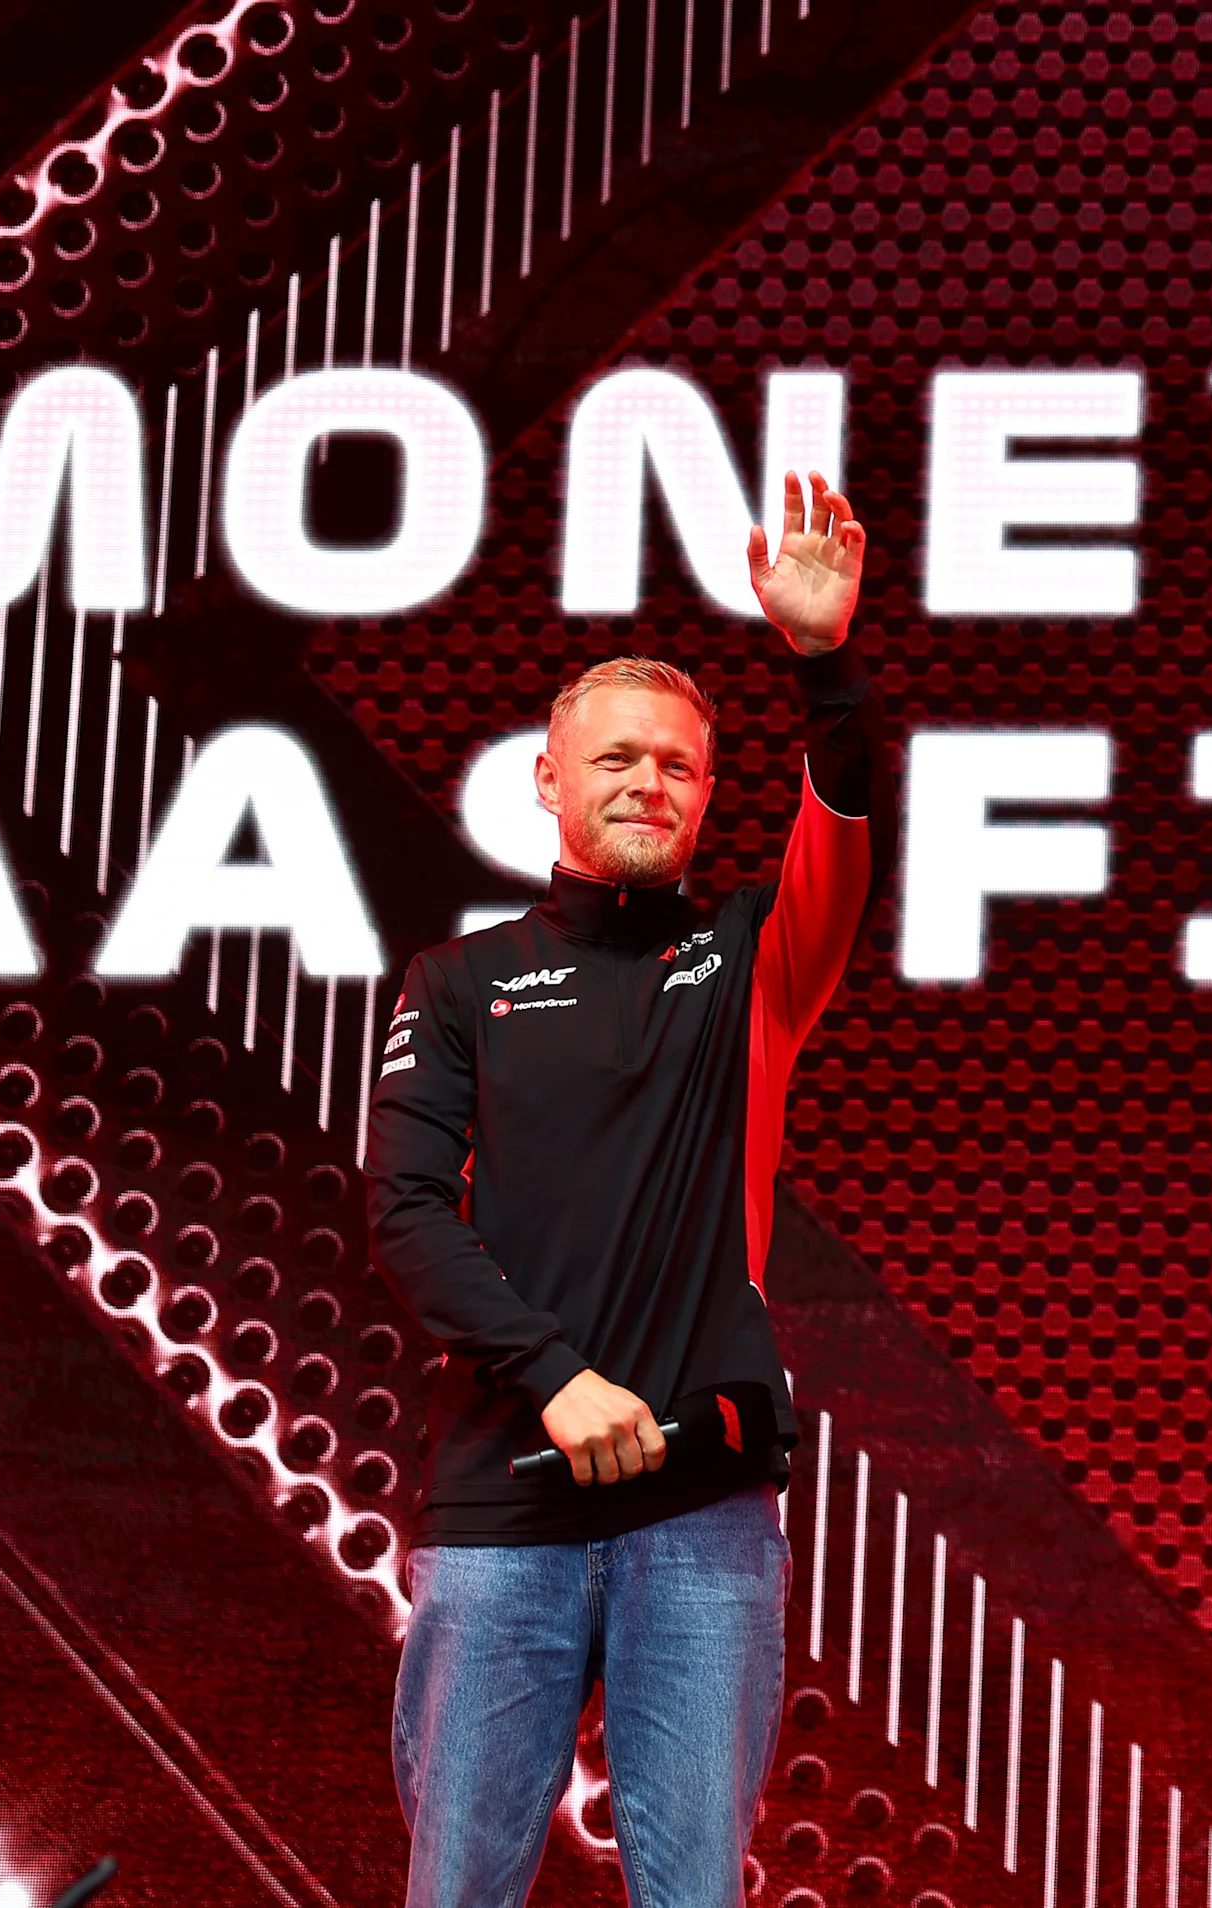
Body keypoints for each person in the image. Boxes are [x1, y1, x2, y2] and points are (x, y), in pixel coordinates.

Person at [365, 474, 880, 1908]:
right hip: (500, 1506)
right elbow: (406, 1212)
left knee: (696, 1894)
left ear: (708, 793)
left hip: (703, 1512)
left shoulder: (748, 960)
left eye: (677, 767)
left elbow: (846, 823)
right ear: (549, 779)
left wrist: (825, 664)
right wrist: (554, 1379)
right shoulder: (459, 983)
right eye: (616, 760)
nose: (647, 784)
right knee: (457, 1890)